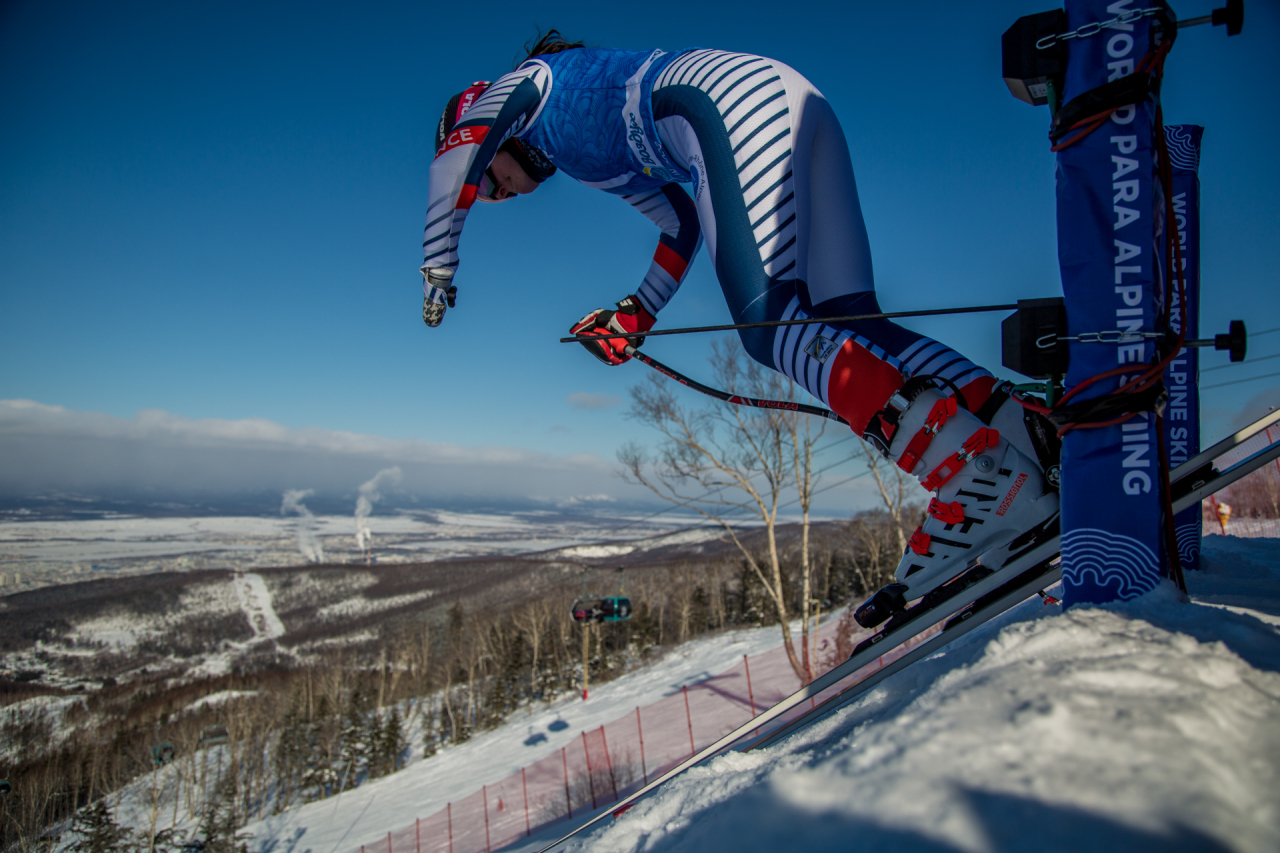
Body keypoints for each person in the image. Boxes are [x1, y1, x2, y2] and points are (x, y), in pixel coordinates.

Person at [420, 32, 1060, 627]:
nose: (502, 196)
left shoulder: (525, 86)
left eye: (494, 188)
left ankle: (975, 478)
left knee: (767, 324)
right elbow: (681, 226)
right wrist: (636, 315)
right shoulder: (582, 148)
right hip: (779, 96)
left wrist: (438, 264)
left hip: (719, 103)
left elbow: (458, 155)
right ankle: (1022, 436)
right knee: (849, 319)